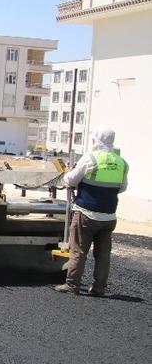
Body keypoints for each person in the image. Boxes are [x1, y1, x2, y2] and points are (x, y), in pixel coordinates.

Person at [54, 127, 129, 297]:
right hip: (109, 216)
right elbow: (122, 188)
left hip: (86, 214)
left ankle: (72, 285)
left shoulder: (91, 158)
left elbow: (71, 180)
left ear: (96, 140)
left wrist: (68, 173)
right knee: (103, 255)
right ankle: (99, 288)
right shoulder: (122, 163)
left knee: (78, 250)